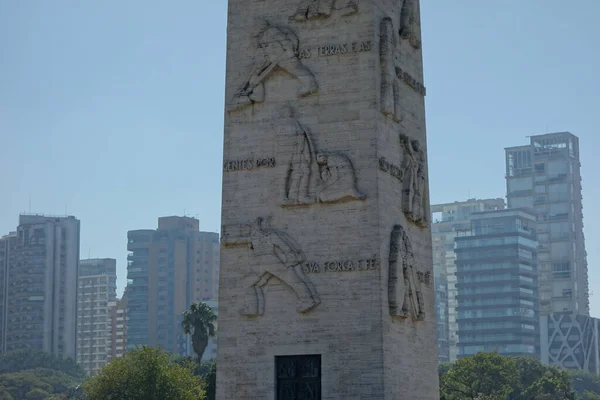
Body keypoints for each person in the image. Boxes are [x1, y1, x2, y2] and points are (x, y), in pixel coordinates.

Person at [228, 22, 318, 111]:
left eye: (256, 28)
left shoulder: (271, 30)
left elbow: (284, 39)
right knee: (257, 72)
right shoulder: (262, 35)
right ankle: (254, 93)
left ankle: (311, 85)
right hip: (272, 58)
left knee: (296, 69)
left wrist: (289, 51)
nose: (255, 30)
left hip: (283, 56)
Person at [240, 218, 320, 316]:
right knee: (250, 283)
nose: (251, 229)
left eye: (252, 227)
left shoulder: (270, 235)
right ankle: (252, 309)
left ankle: (307, 299)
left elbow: (284, 246)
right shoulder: (253, 238)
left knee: (290, 279)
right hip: (261, 263)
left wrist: (290, 258)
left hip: (269, 261)